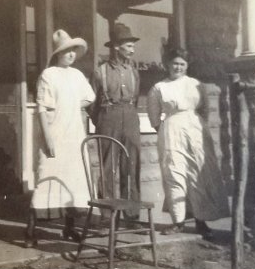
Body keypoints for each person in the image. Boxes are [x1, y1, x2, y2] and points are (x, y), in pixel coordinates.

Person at [147, 47, 229, 240]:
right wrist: (164, 129)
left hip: (195, 129)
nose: (178, 67)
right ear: (168, 65)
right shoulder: (159, 87)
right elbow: (153, 116)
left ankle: (201, 219)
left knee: (198, 171)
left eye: (182, 64)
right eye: (175, 63)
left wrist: (199, 127)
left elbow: (206, 110)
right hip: (171, 129)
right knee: (174, 172)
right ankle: (178, 221)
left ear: (187, 65)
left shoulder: (195, 84)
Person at [25, 30, 96, 248]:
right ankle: (30, 231)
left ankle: (69, 227)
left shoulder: (77, 75)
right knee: (47, 177)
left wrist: (72, 106)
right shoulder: (49, 74)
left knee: (72, 181)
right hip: (55, 133)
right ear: (57, 53)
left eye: (73, 50)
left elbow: (89, 97)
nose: (70, 55)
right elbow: (42, 109)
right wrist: (48, 138)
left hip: (74, 134)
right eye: (65, 51)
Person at [88, 23, 142, 221]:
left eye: (133, 46)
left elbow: (135, 98)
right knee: (108, 166)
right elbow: (91, 103)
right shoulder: (100, 71)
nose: (132, 49)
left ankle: (132, 214)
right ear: (116, 46)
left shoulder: (134, 72)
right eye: (129, 45)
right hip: (107, 117)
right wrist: (103, 120)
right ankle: (107, 215)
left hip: (130, 117)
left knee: (131, 164)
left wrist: (127, 116)